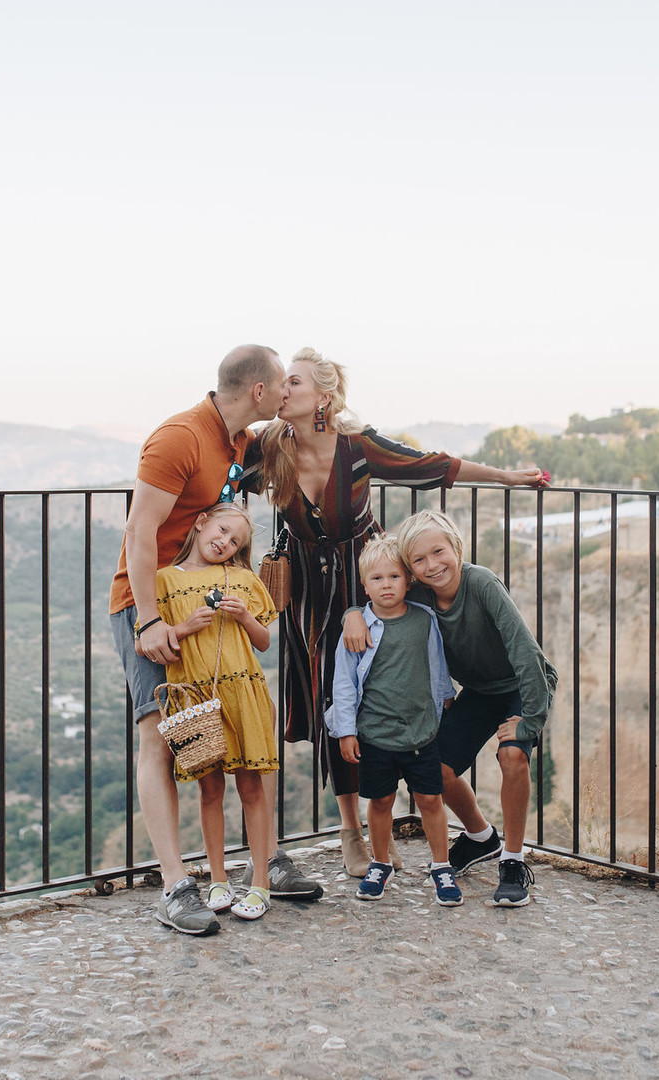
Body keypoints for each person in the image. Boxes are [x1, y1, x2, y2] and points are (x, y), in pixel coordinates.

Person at [244, 348, 547, 879]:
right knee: (329, 700)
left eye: (292, 381)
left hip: (369, 585)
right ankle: (351, 830)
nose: (280, 389)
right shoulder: (269, 445)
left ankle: (386, 822)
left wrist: (508, 478)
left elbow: (430, 466)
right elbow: (220, 481)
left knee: (375, 695)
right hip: (308, 598)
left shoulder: (357, 448)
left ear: (324, 397)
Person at [110, 345, 322, 939]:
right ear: (259, 391)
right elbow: (139, 529)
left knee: (242, 734)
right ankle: (177, 886)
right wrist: (149, 622)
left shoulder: (237, 441)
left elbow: (308, 446)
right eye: (283, 386)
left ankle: (265, 860)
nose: (286, 396)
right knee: (161, 735)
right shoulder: (179, 438)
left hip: (201, 608)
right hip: (147, 603)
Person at [343, 508, 557, 908]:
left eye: (438, 552)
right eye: (419, 560)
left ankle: (512, 861)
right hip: (478, 690)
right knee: (437, 769)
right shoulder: (420, 592)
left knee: (512, 756)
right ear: (411, 570)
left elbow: (526, 654)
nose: (432, 566)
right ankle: (480, 838)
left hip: (519, 685)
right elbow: (377, 597)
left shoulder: (482, 584)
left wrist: (531, 719)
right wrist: (351, 614)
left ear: (456, 547)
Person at [156, 502, 281, 920]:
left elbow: (263, 642)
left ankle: (260, 883)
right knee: (209, 791)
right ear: (201, 522)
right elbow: (151, 642)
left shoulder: (244, 579)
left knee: (252, 788)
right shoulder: (164, 580)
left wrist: (245, 615)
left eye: (235, 542)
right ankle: (218, 881)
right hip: (193, 698)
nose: (225, 543)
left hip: (243, 691)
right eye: (223, 531)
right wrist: (181, 628)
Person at [328, 535, 462, 907]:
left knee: (431, 800)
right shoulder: (357, 630)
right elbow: (344, 684)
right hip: (376, 734)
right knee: (381, 800)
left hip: (421, 731)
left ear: (408, 581)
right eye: (376, 579)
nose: (386, 585)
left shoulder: (425, 620)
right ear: (364, 585)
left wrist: (446, 698)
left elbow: (437, 665)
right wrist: (346, 731)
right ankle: (380, 862)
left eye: (394, 577)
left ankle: (441, 866)